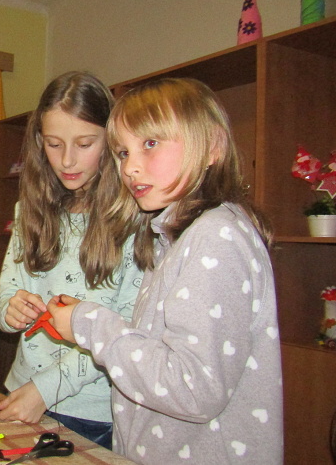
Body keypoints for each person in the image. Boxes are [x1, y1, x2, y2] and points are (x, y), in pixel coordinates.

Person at [47, 78, 283, 463]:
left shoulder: (215, 237)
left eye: (151, 144)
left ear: (212, 146)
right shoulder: (176, 238)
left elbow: (193, 388)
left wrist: (89, 325)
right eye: (123, 152)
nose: (130, 167)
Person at [0, 71, 143, 449]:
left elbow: (125, 332)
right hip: (23, 389)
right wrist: (10, 309)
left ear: (112, 141)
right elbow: (6, 297)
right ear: (39, 142)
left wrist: (46, 389)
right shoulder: (29, 211)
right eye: (54, 144)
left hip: (90, 411)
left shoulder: (133, 220)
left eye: (85, 143)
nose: (68, 160)